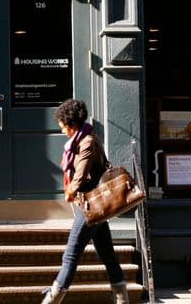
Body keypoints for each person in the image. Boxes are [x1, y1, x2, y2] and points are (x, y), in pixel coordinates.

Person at [41, 98, 129, 304]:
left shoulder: (87, 141)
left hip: (91, 205)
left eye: (63, 126)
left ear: (72, 124)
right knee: (107, 254)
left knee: (70, 255)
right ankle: (122, 298)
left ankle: (52, 299)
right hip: (96, 207)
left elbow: (80, 177)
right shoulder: (82, 140)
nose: (62, 130)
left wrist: (71, 190)